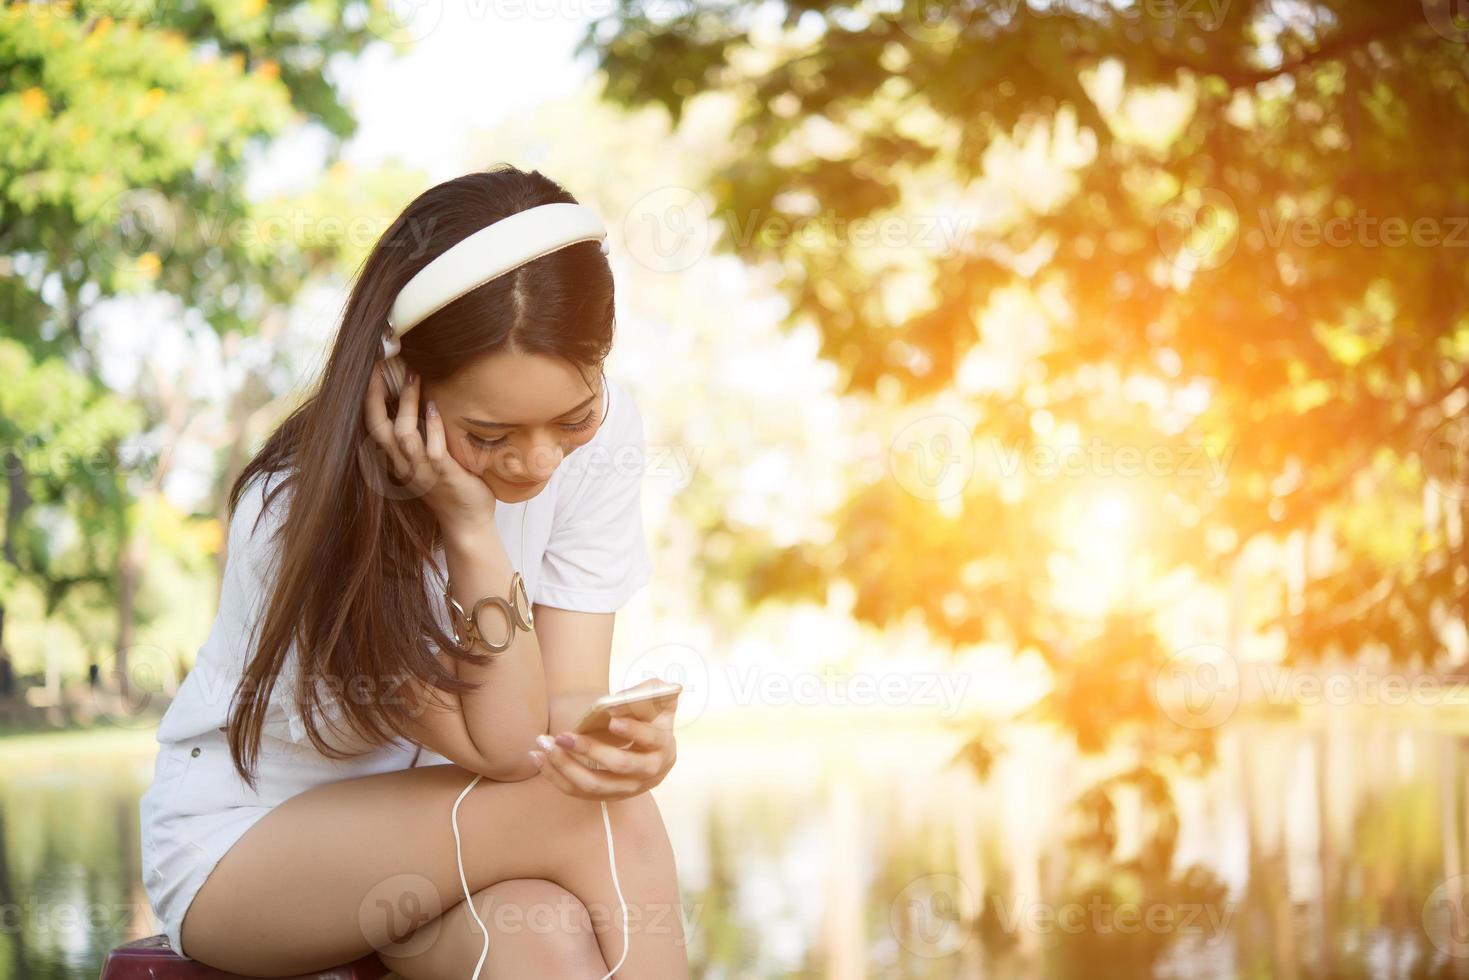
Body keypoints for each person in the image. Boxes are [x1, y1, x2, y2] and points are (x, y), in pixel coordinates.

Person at [138, 165, 689, 979]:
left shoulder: (602, 442)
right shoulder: (299, 513)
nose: (538, 460)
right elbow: (506, 746)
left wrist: (619, 750)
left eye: (570, 417)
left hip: (449, 841)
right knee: (604, 814)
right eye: (490, 433)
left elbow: (558, 722)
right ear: (400, 386)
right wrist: (470, 528)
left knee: (547, 946)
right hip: (252, 853)